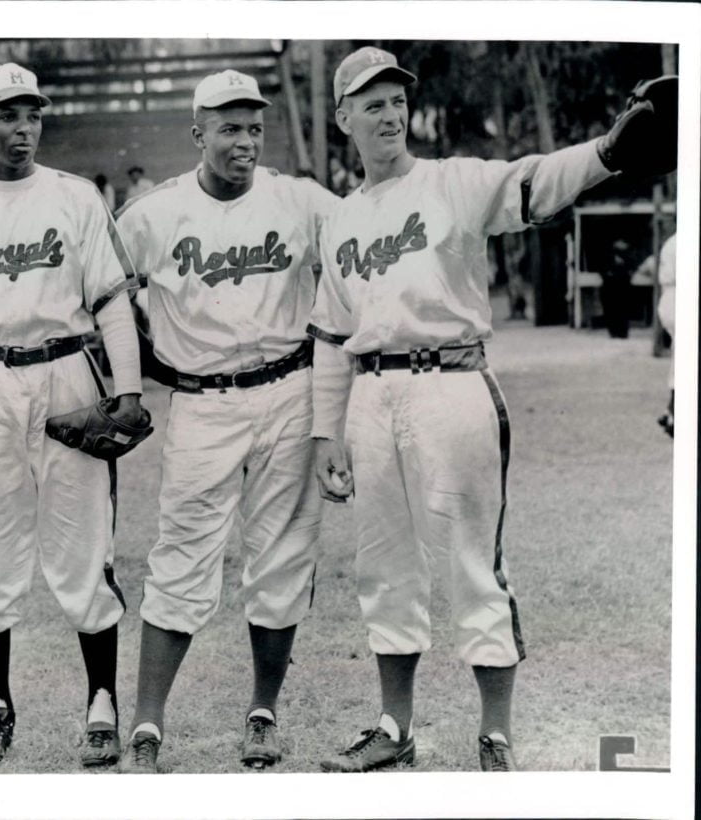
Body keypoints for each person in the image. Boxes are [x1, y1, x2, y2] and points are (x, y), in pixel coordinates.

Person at [309, 46, 635, 773]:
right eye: (372, 102)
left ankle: (495, 734)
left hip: (451, 383)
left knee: (472, 566)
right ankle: (394, 727)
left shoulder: (451, 181)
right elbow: (331, 335)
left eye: (396, 99)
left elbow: (535, 181)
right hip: (370, 392)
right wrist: (324, 432)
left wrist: (608, 151)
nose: (389, 112)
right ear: (344, 120)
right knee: (383, 566)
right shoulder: (339, 219)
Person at [0, 63, 146, 769]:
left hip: (67, 371)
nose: (22, 129)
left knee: (83, 539)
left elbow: (110, 302)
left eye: (33, 115)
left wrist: (126, 392)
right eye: (7, 116)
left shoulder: (74, 196)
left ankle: (102, 702)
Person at [114, 69, 339, 773]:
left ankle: (263, 711)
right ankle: (148, 723)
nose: (244, 141)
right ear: (198, 134)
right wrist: (131, 376)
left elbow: (362, 252)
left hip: (288, 387)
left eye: (253, 128)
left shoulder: (300, 200)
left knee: (282, 556)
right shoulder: (153, 214)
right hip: (202, 401)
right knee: (181, 554)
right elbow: (100, 293)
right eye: (229, 128)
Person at [656, 232, 676, 436]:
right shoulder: (685, 239)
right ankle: (673, 415)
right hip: (679, 297)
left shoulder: (671, 240)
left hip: (669, 298)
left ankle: (670, 412)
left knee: (679, 357)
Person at [600, 238, 633, 338]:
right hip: (612, 286)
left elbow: (630, 270)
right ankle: (615, 332)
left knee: (621, 309)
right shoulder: (608, 257)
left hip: (621, 286)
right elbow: (603, 271)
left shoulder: (627, 257)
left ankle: (621, 332)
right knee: (613, 309)